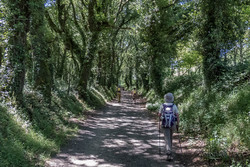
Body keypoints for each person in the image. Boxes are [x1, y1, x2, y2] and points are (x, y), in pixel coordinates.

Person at [158, 93, 179, 159]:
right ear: (172, 98)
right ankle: (169, 150)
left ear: (165, 98)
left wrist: (160, 118)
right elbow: (177, 115)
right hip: (172, 124)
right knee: (170, 137)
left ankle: (168, 152)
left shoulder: (162, 105)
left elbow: (159, 114)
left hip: (165, 124)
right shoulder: (174, 106)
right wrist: (177, 124)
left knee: (167, 138)